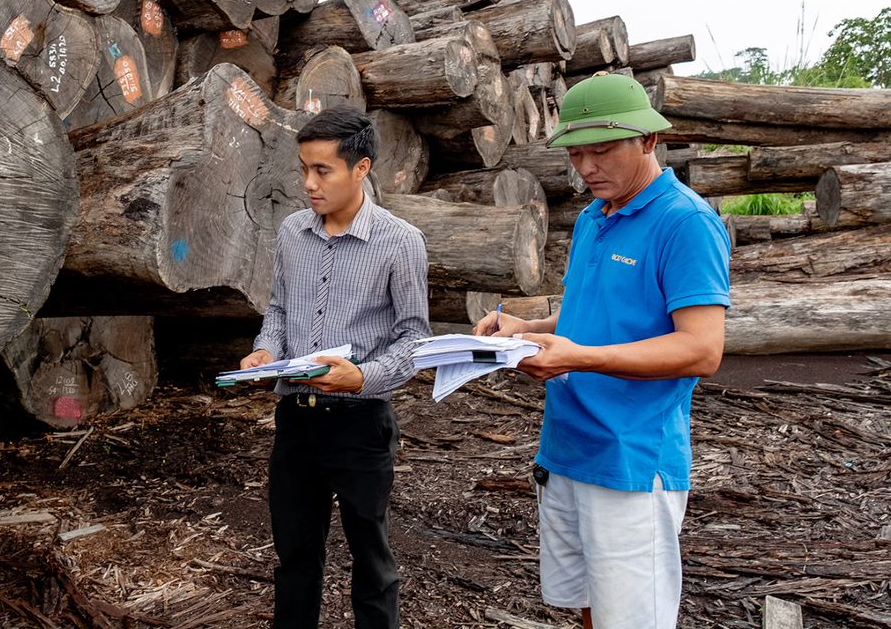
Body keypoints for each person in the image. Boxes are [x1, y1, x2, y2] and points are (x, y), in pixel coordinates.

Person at [475, 73, 731, 629]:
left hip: (631, 456)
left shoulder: (685, 223)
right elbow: (592, 313)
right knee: (590, 604)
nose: (588, 167)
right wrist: (527, 327)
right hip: (569, 446)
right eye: (576, 153)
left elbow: (702, 349)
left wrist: (578, 358)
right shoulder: (596, 215)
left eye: (604, 150)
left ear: (649, 140)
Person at [239, 106, 431, 629]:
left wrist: (363, 377)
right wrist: (265, 351)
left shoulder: (400, 242)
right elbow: (279, 310)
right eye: (304, 168)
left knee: (372, 561)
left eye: (322, 170)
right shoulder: (291, 232)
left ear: (361, 168)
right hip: (295, 422)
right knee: (295, 558)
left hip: (360, 426)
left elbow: (415, 338)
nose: (308, 183)